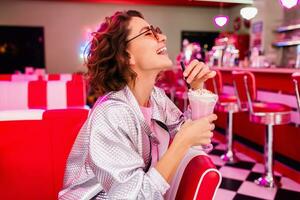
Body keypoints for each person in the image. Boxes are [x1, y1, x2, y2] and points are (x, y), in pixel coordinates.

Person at [59, 10, 217, 200]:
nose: (163, 37)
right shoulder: (110, 113)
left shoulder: (157, 97)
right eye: (149, 33)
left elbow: (198, 137)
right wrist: (182, 142)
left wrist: (198, 88)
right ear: (126, 56)